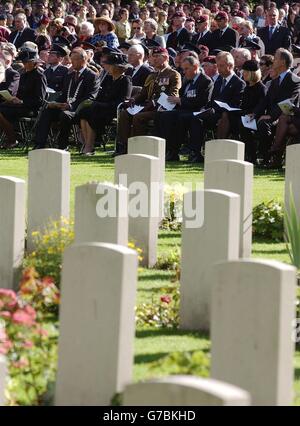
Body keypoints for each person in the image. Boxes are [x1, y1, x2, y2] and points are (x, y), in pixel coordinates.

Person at [117, 46, 181, 154]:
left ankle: (137, 147)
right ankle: (123, 146)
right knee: (124, 114)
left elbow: (173, 94)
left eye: (157, 56)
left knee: (138, 117)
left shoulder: (173, 74)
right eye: (152, 56)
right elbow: (143, 93)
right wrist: (133, 99)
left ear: (165, 58)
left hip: (161, 109)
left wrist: (155, 102)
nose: (154, 59)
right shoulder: (152, 75)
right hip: (147, 106)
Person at [34, 48, 100, 150]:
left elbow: (90, 97)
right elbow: (64, 94)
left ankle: (62, 145)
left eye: (74, 59)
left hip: (80, 110)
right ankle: (39, 143)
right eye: (71, 59)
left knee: (65, 115)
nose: (71, 62)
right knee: (47, 111)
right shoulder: (70, 75)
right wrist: (55, 103)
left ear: (83, 60)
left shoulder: (91, 76)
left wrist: (71, 106)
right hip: (66, 106)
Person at [155, 55, 213, 162]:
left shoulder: (206, 81)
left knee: (183, 118)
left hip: (198, 111)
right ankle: (171, 151)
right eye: (183, 69)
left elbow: (202, 102)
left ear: (195, 67)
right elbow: (180, 98)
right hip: (184, 110)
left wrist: (180, 101)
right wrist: (168, 106)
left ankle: (194, 152)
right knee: (164, 115)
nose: (184, 72)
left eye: (187, 69)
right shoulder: (186, 81)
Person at [77, 51, 132, 155]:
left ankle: (89, 146)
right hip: (101, 107)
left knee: (92, 113)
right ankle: (87, 144)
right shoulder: (107, 79)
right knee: (85, 112)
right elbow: (100, 96)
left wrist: (99, 105)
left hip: (113, 110)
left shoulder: (126, 80)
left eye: (108, 65)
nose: (105, 66)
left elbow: (122, 101)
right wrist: (94, 102)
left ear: (116, 67)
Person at [253, 48, 300, 164]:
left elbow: (288, 102)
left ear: (283, 62)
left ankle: (271, 156)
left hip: (287, 117)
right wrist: (254, 114)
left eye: (276, 58)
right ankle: (265, 157)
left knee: (265, 124)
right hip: (275, 117)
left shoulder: (294, 80)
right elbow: (265, 100)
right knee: (255, 122)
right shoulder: (275, 81)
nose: (273, 60)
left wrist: (271, 117)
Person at [194, 51, 246, 149]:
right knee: (196, 118)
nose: (218, 69)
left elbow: (237, 103)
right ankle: (195, 150)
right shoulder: (218, 81)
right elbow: (212, 99)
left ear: (230, 66)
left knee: (224, 116)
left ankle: (219, 148)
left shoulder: (239, 83)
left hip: (229, 115)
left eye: (221, 66)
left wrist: (222, 108)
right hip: (214, 112)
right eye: (217, 66)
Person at [218, 60, 266, 163]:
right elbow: (243, 106)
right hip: (245, 114)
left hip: (255, 117)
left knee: (242, 124)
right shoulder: (247, 88)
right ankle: (220, 146)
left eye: (245, 72)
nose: (242, 74)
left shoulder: (261, 88)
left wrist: (253, 113)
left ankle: (251, 155)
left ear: (252, 73)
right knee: (225, 115)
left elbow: (261, 106)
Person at [0, 47, 46, 148]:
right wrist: (13, 99)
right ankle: (11, 138)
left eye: (27, 62)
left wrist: (21, 101)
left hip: (31, 108)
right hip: (19, 106)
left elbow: (40, 99)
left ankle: (12, 139)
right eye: (24, 62)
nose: (24, 64)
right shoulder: (24, 75)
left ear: (33, 62)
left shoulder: (39, 76)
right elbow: (20, 93)